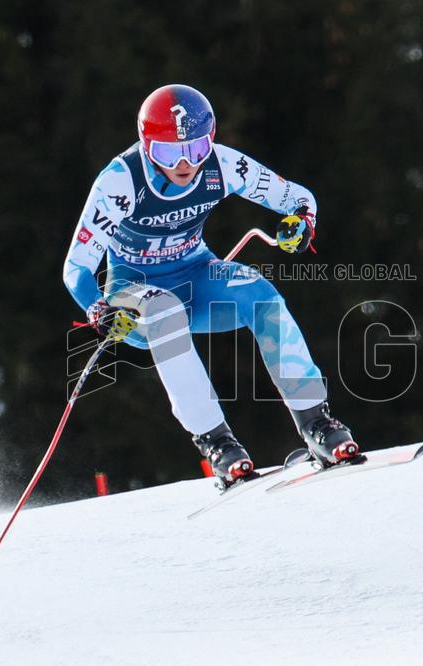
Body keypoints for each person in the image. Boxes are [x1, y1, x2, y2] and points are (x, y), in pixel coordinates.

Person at [63, 83, 358, 488]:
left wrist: (301, 225)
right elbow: (76, 268)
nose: (185, 164)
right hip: (133, 293)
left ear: (211, 140)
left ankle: (316, 424)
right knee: (164, 311)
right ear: (147, 146)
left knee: (260, 294)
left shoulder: (223, 165)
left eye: (197, 149)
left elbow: (299, 198)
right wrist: (99, 310)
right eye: (169, 153)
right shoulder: (119, 182)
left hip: (198, 273)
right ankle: (217, 443)